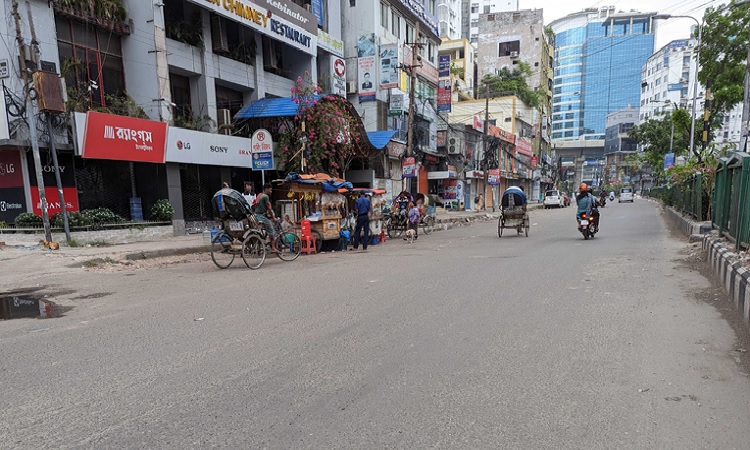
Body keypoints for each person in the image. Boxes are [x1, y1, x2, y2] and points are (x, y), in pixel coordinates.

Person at [254, 183, 278, 253]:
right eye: (270, 190)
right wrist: (273, 218)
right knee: (271, 230)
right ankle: (273, 248)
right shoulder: (265, 197)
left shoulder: (259, 195)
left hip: (256, 216)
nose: (271, 191)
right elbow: (269, 209)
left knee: (265, 229)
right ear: (266, 189)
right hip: (261, 217)